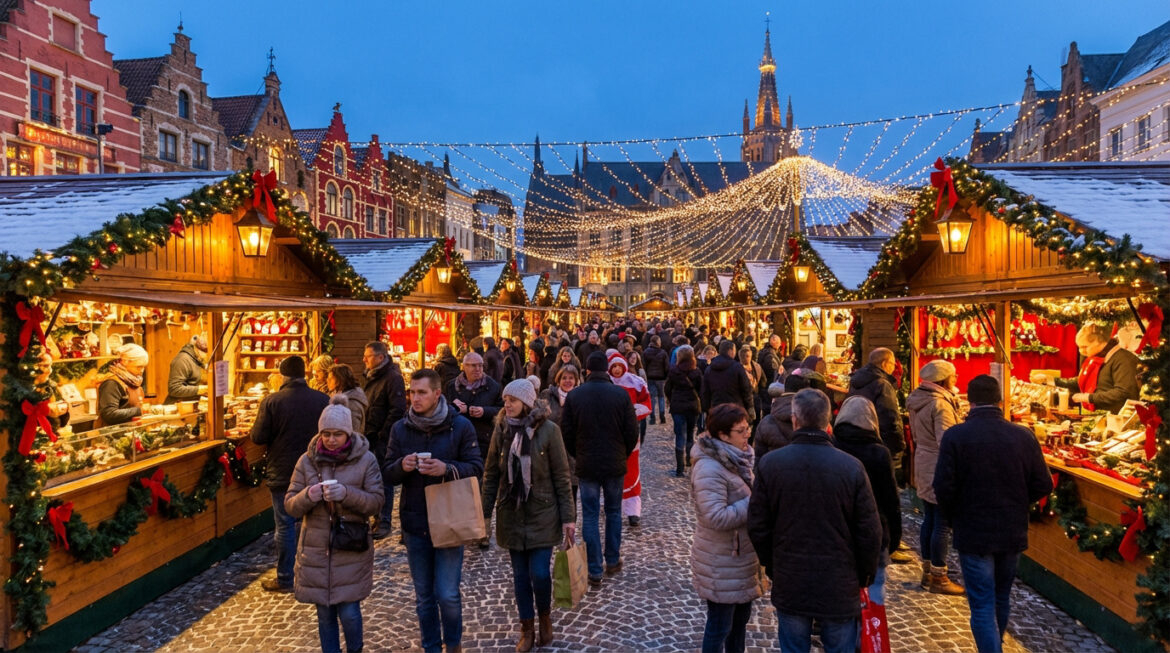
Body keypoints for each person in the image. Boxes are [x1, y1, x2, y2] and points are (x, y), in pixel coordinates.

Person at [747, 389, 881, 653]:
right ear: (827, 422)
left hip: (791, 575)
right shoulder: (851, 467)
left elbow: (758, 525)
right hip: (840, 581)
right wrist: (864, 575)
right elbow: (869, 531)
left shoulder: (771, 464)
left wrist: (772, 563)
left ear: (795, 420)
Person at [934, 375, 1054, 653]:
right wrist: (1018, 502)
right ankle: (994, 645)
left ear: (970, 400)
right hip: (1011, 529)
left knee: (982, 602)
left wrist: (955, 516)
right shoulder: (1023, 435)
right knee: (1000, 596)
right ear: (1000, 399)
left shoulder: (956, 436)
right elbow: (1043, 483)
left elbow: (943, 487)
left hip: (973, 530)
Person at [385, 369, 484, 653]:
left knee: (448, 594)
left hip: (451, 520)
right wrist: (400, 467)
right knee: (424, 596)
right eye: (411, 392)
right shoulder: (400, 428)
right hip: (415, 522)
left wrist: (447, 469)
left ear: (437, 394)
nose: (414, 398)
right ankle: (431, 647)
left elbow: (476, 467)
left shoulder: (460, 426)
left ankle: (452, 644)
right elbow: (387, 474)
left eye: (421, 392)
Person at [482, 378, 576, 652]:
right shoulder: (501, 428)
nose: (506, 405)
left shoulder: (549, 431)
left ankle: (544, 615)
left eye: (511, 400)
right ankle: (527, 628)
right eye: (505, 400)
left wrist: (569, 518)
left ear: (526, 402)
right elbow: (491, 473)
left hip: (542, 512)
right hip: (511, 512)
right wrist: (484, 514)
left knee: (539, 574)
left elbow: (562, 476)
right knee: (520, 577)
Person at [285, 395, 383, 653]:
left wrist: (346, 494)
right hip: (316, 549)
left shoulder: (366, 461)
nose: (330, 439)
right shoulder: (306, 462)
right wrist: (308, 496)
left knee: (349, 612)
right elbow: (290, 504)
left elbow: (375, 502)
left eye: (337, 434)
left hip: (350, 547)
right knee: (324, 615)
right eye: (326, 433)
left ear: (348, 434)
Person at [250, 355, 330, 592]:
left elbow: (258, 437)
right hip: (314, 469)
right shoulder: (322, 399)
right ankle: (314, 572)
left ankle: (286, 577)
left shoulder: (272, 401)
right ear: (304, 374)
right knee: (315, 521)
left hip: (283, 471)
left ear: (282, 375)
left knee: (285, 524)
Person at [560, 351, 637, 587]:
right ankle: (612, 560)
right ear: (607, 369)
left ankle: (594, 569)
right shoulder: (620, 395)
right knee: (613, 512)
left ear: (587, 370)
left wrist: (578, 453)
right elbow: (631, 433)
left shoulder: (575, 396)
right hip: (614, 463)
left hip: (587, 463)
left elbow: (567, 433)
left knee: (591, 515)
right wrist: (621, 453)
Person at [690, 403, 761, 653]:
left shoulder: (737, 458)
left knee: (739, 623)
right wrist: (755, 501)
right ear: (722, 434)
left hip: (740, 559)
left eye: (747, 428)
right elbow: (715, 516)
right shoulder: (710, 467)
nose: (747, 434)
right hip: (722, 561)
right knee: (720, 626)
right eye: (741, 430)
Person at [832, 396, 901, 608]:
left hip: (839, 528)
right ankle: (871, 633)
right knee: (875, 586)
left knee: (841, 586)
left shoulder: (833, 447)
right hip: (874, 530)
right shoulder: (879, 453)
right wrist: (894, 537)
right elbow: (891, 499)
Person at [907, 359, 965, 595]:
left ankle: (928, 570)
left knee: (930, 517)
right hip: (938, 464)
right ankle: (938, 577)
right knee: (941, 521)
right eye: (953, 376)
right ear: (943, 379)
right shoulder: (940, 405)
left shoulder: (918, 399)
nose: (956, 379)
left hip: (923, 460)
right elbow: (948, 440)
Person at [1035, 323, 1140, 413]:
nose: (1081, 351)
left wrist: (1089, 398)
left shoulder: (1123, 359)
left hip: (1117, 419)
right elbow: (1083, 381)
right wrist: (1051, 380)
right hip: (1099, 416)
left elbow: (1123, 393)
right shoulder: (1097, 357)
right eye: (1079, 347)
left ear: (1099, 341)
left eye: (1085, 347)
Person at [362, 341, 407, 541]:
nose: (364, 359)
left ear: (380, 357)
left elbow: (396, 410)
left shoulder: (392, 378)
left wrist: (382, 434)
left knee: (384, 480)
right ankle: (376, 518)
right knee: (373, 479)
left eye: (368, 356)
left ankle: (384, 520)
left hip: (382, 439)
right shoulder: (372, 377)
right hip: (370, 437)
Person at [607, 350, 651, 526]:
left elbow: (646, 404)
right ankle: (610, 500)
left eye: (619, 366)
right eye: (614, 366)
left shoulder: (635, 382)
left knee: (631, 469)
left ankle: (633, 509)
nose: (617, 370)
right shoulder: (605, 383)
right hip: (609, 434)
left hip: (630, 433)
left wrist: (630, 413)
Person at [445, 352, 504, 456]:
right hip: (457, 438)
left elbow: (502, 409)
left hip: (483, 440)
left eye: (480, 365)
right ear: (464, 367)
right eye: (473, 365)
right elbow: (442, 409)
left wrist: (484, 411)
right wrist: (453, 406)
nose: (478, 369)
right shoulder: (451, 386)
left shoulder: (493, 386)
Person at [754, 370, 816, 460]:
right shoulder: (815, 423)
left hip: (773, 471)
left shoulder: (766, 422)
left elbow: (758, 459)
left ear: (785, 389)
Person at [542, 365, 581, 499]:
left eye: (571, 378)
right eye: (564, 378)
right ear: (558, 380)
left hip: (572, 452)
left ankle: (571, 519)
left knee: (571, 494)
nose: (567, 381)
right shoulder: (547, 395)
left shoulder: (581, 397)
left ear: (576, 380)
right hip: (551, 449)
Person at [665, 345, 704, 476]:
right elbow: (701, 390)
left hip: (678, 406)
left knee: (680, 435)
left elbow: (667, 388)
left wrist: (671, 399)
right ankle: (689, 461)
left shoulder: (674, 371)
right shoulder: (697, 372)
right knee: (690, 434)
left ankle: (680, 469)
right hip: (692, 406)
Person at [95, 343, 151, 427]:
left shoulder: (134, 382)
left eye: (144, 367)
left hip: (128, 433)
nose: (142, 371)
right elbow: (109, 414)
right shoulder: (111, 383)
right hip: (111, 436)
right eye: (138, 367)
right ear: (124, 362)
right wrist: (139, 411)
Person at [700, 340, 756, 422]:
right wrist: (750, 407)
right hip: (735, 409)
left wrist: (707, 410)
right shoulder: (737, 368)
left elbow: (705, 392)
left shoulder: (709, 369)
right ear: (730, 351)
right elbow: (746, 389)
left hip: (716, 409)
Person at [164, 334, 207, 404]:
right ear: (197, 348)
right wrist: (201, 389)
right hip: (177, 407)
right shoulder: (182, 360)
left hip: (191, 406)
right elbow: (174, 389)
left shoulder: (199, 360)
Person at [328, 363, 369, 435]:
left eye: (331, 378)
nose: (327, 380)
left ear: (340, 380)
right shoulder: (338, 396)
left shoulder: (351, 403)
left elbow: (353, 432)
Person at [642, 335, 670, 425]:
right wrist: (666, 376)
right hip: (660, 378)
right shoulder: (663, 352)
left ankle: (652, 417)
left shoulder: (646, 352)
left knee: (652, 398)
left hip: (650, 377)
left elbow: (644, 366)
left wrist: (645, 376)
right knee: (661, 396)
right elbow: (666, 366)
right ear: (658, 342)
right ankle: (662, 416)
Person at [738, 346, 766, 427]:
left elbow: (763, 381)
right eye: (743, 356)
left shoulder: (756, 367)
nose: (745, 358)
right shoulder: (737, 368)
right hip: (743, 398)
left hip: (755, 396)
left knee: (756, 420)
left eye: (747, 356)